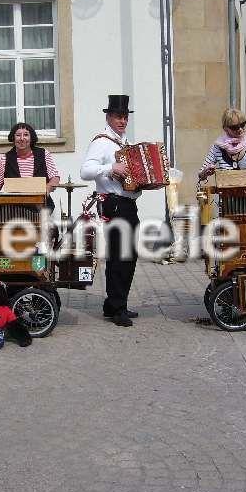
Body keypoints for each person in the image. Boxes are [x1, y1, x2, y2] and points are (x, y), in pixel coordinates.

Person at [80, 94, 140, 327]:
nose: (122, 120)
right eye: (118, 116)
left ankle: (116, 303)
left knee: (129, 255)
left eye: (125, 117)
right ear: (108, 117)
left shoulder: (124, 143)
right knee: (119, 256)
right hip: (114, 204)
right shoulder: (102, 141)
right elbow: (86, 171)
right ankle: (117, 308)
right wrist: (110, 167)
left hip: (128, 204)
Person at [0, 122, 60, 209]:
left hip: (42, 206)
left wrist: (47, 188)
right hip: (15, 209)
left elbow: (55, 178)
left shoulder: (44, 154)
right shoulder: (4, 159)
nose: (22, 138)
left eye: (26, 135)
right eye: (18, 135)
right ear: (13, 138)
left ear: (31, 138)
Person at [198, 108, 246, 180]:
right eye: (234, 127)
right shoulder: (219, 146)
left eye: (242, 124)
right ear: (225, 129)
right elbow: (201, 175)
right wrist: (206, 172)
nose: (240, 129)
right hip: (227, 189)